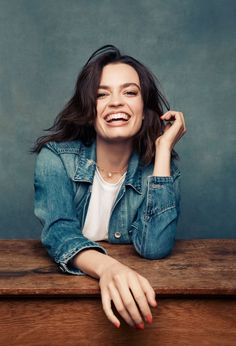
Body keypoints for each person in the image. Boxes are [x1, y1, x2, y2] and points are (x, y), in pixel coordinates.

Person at [33, 44, 186, 330]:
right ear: (89, 111)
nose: (116, 102)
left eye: (129, 92)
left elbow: (154, 247)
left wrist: (163, 148)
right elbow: (59, 231)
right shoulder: (55, 159)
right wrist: (109, 268)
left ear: (145, 109)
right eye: (102, 94)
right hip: (64, 312)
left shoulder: (160, 171)